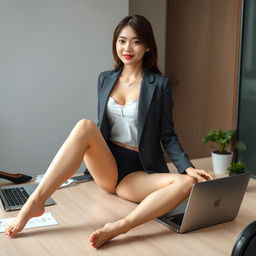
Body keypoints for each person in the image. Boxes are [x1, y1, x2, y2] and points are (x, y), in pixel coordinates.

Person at [5, 15, 214, 249]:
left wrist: (187, 167)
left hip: (138, 173)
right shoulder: (105, 78)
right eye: (122, 41)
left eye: (135, 42)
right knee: (85, 125)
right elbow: (102, 127)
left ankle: (121, 226)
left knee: (185, 183)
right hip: (108, 165)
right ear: (115, 43)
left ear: (147, 46)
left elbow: (167, 134)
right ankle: (35, 201)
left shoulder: (159, 85)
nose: (127, 48)